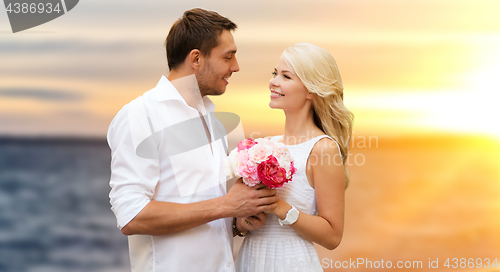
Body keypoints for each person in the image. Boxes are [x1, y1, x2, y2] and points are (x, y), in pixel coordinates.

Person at [107, 8, 279, 272]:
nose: (236, 67)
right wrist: (226, 205)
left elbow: (205, 210)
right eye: (228, 56)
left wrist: (235, 223)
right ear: (196, 59)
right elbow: (132, 217)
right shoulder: (140, 115)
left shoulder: (211, 118)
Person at [235, 43, 354, 271]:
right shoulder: (264, 146)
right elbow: (244, 217)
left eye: (286, 76)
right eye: (274, 73)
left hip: (290, 262)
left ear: (310, 90)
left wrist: (280, 208)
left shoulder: (323, 149)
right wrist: (244, 221)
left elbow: (332, 236)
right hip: (250, 258)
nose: (273, 81)